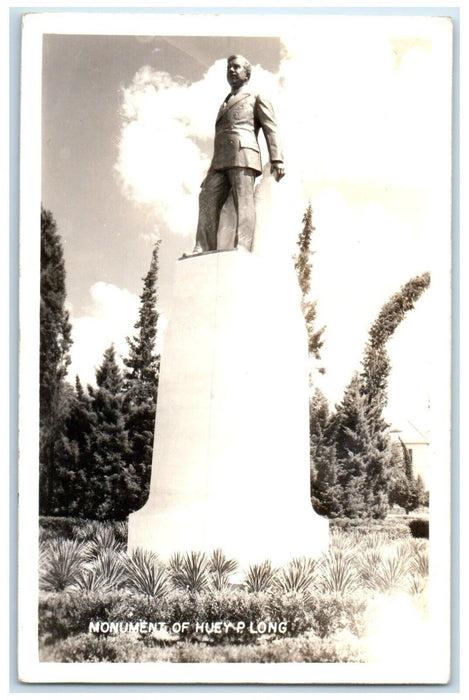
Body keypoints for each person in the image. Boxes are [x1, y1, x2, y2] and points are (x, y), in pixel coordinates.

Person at [193, 55, 285, 254]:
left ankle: (242, 245)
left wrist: (277, 158)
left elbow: (271, 128)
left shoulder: (256, 97)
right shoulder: (224, 102)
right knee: (206, 197)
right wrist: (210, 171)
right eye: (229, 68)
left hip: (244, 154)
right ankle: (203, 246)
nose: (232, 71)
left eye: (236, 67)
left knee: (244, 201)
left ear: (247, 73)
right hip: (219, 162)